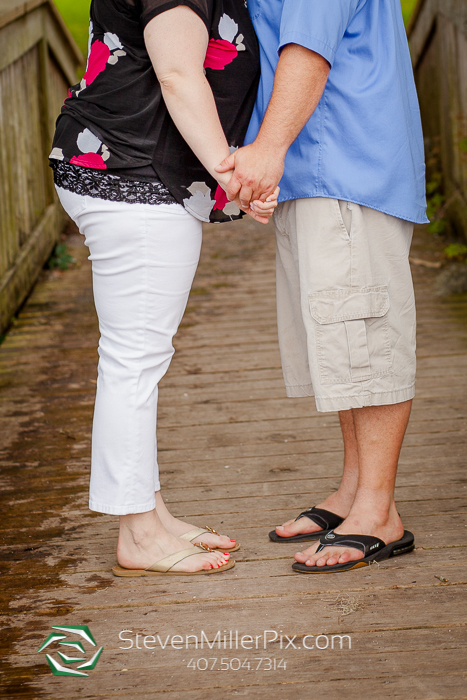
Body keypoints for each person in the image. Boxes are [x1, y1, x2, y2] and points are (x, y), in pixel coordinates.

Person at [49, 0, 278, 577]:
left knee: (139, 355)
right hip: (131, 176)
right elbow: (178, 74)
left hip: (129, 172)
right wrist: (234, 177)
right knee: (135, 359)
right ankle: (139, 534)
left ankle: (151, 513)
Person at [218, 0, 428, 573]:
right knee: (342, 341)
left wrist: (267, 149)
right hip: (318, 163)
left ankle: (378, 513)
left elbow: (309, 47)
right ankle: (356, 490)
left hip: (344, 160)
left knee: (364, 336)